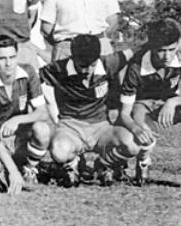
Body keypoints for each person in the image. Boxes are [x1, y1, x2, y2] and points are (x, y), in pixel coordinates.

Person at [40, 34, 142, 187]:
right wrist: (56, 117)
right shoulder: (58, 69)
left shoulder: (108, 63)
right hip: (71, 127)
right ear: (72, 58)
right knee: (59, 152)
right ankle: (73, 163)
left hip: (101, 127)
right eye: (82, 65)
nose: (88, 70)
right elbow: (37, 79)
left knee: (132, 144)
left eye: (92, 65)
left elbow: (134, 50)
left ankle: (103, 164)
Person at [118, 19, 181, 191]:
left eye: (171, 50)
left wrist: (174, 101)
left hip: (170, 103)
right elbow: (125, 112)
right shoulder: (136, 65)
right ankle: (143, 162)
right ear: (151, 46)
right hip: (144, 106)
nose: (167, 56)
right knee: (140, 123)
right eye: (161, 51)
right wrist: (136, 128)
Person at [0, 35, 50, 193]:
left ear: (17, 55)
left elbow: (42, 113)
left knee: (43, 130)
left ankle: (30, 169)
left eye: (12, 57)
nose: (8, 63)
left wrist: (18, 119)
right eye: (2, 58)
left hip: (20, 133)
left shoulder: (28, 71)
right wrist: (13, 171)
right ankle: (1, 170)